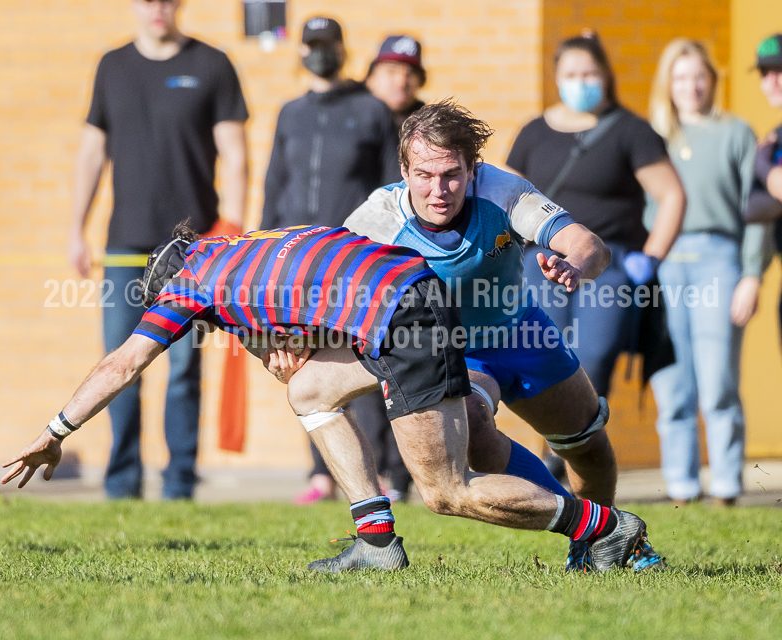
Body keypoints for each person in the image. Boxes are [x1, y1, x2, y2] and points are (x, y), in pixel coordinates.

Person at [2, 224, 663, 575]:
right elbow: (324, 286)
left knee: (445, 491)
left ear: (174, 285)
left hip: (403, 320)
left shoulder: (190, 286)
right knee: (311, 388)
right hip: (415, 292)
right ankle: (375, 540)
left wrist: (56, 429)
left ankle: (605, 529)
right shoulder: (252, 247)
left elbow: (125, 361)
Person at [344, 99, 664, 572]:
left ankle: (597, 547)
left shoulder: (504, 191)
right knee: (473, 421)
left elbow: (587, 244)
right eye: (424, 175)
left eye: (451, 174)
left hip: (523, 334)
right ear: (404, 170)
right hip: (452, 353)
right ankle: (598, 530)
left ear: (473, 170)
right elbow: (323, 289)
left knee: (587, 446)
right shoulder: (376, 221)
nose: (438, 190)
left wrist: (573, 266)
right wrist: (287, 346)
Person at [68, 0, 249, 499]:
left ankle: (179, 482)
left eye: (167, 1)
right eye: (148, 0)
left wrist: (230, 234)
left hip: (192, 248)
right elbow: (90, 153)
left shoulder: (211, 64)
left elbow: (235, 155)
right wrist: (75, 229)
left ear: (180, 6)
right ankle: (121, 480)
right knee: (118, 363)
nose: (157, 9)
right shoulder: (113, 66)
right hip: (125, 242)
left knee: (184, 370)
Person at [505, 34, 686, 453]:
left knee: (595, 356)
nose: (580, 81)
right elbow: (506, 195)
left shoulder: (630, 130)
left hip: (611, 262)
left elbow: (672, 195)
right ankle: (554, 456)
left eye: (589, 73)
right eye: (571, 74)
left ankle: (576, 451)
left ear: (605, 74)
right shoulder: (535, 131)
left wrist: (652, 257)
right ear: (557, 78)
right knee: (544, 355)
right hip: (541, 262)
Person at [261, 16, 402, 504]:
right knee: (302, 365)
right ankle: (321, 473)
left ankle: (380, 470)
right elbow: (274, 184)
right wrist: (262, 251)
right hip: (296, 261)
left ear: (343, 49)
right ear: (301, 51)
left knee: (366, 361)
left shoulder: (371, 111)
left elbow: (390, 189)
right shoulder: (289, 113)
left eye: (329, 45)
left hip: (351, 259)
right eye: (312, 45)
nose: (321, 53)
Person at [646, 39, 771, 506]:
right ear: (668, 84)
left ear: (712, 81)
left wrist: (751, 274)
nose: (690, 86)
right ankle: (680, 485)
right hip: (664, 262)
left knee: (718, 380)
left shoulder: (737, 133)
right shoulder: (653, 137)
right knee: (672, 382)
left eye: (699, 76)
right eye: (680, 77)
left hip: (720, 258)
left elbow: (756, 210)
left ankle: (726, 486)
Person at [356, 34, 429, 502]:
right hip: (362, 252)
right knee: (360, 363)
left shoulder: (428, 124)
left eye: (407, 71)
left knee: (410, 359)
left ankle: (406, 471)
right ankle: (370, 471)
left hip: (413, 255)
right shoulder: (355, 118)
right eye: (388, 70)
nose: (398, 79)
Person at [745, 34, 782, 344]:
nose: (772, 82)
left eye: (780, 71)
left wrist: (762, 166)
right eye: (765, 73)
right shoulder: (777, 137)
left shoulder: (766, 149)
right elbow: (752, 207)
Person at [365, 35, 426, 129]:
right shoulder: (347, 121)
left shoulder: (429, 131)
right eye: (391, 71)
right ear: (371, 78)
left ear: (421, 81)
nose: (401, 82)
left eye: (410, 73)